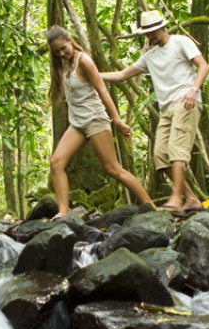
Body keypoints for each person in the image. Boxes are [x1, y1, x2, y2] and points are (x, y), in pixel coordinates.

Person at [100, 9, 209, 212]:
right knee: (160, 155)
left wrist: (194, 90)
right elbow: (122, 75)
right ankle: (191, 198)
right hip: (167, 108)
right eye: (147, 33)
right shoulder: (149, 56)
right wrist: (93, 75)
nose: (151, 36)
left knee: (177, 150)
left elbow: (203, 66)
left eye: (154, 31)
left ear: (162, 27)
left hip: (186, 101)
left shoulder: (181, 42)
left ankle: (176, 198)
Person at [43, 26, 152, 218]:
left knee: (113, 169)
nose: (62, 53)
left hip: (95, 120)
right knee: (56, 163)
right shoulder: (64, 64)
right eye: (57, 51)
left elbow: (102, 90)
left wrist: (116, 120)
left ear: (69, 40)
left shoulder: (83, 60)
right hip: (77, 124)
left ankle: (150, 206)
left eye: (63, 48)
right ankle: (63, 213)